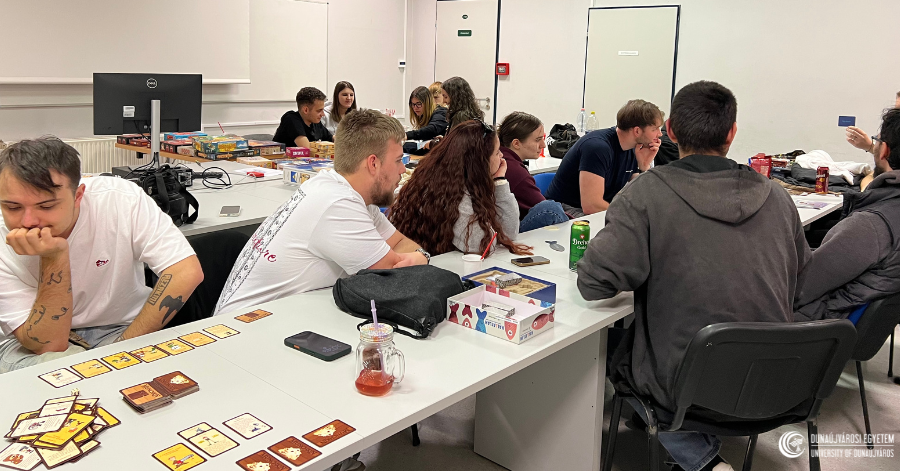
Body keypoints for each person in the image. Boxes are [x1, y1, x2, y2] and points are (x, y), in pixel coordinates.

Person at [577, 81, 810, 471]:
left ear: (669, 130)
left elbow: (592, 283)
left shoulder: (645, 195)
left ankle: (699, 458)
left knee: (615, 350)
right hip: (771, 379)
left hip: (686, 385)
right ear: (732, 133)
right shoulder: (779, 198)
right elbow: (800, 283)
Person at [0, 137, 204, 373]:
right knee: (66, 376)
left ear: (78, 196)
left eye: (46, 206)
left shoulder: (120, 199)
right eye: (12, 207)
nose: (28, 221)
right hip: (32, 346)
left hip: (121, 329)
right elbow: (49, 345)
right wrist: (54, 257)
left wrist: (122, 351)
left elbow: (185, 271)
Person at [215, 109, 429, 316]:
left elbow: (400, 244)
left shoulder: (340, 189)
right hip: (245, 328)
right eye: (398, 160)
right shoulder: (337, 203)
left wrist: (418, 256)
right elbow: (393, 276)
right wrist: (420, 258)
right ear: (373, 163)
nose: (403, 169)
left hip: (280, 317)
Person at [795, 107, 900, 323]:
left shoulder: (870, 225)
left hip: (818, 327)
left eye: (876, 141)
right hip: (851, 324)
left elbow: (798, 291)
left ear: (884, 150)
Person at [389, 120, 531, 257]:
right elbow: (481, 245)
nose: (502, 156)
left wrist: (499, 182)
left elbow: (509, 234)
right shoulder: (447, 192)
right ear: (480, 161)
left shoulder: (469, 184)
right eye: (497, 152)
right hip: (431, 267)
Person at [545, 100, 663, 215]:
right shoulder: (597, 148)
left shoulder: (632, 147)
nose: (660, 134)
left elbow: (641, 195)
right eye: (655, 129)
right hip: (565, 210)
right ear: (637, 131)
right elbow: (591, 206)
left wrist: (643, 166)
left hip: (593, 210)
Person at [497, 111, 569, 231]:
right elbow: (544, 207)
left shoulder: (504, 158)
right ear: (516, 143)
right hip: (507, 233)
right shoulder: (515, 171)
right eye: (537, 140)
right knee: (551, 209)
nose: (543, 145)